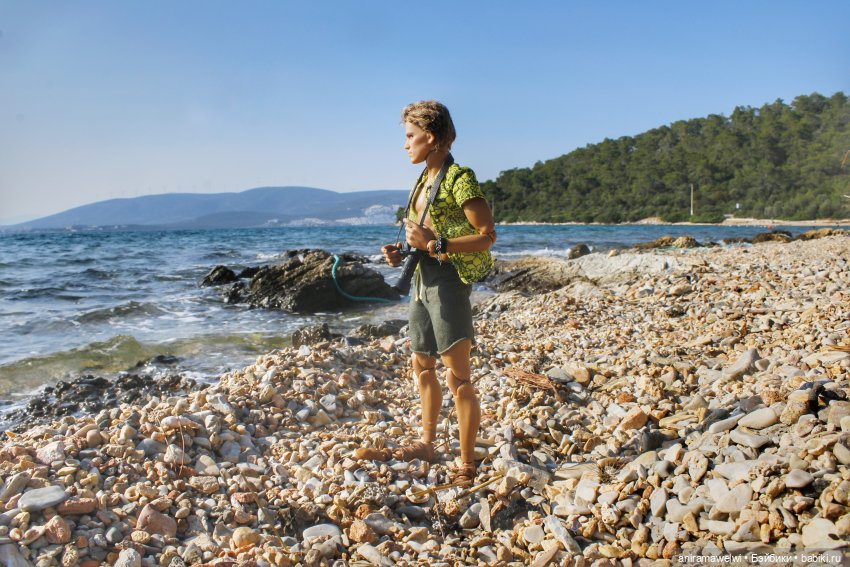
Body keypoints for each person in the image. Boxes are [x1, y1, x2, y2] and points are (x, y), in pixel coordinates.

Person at [359, 100, 496, 486]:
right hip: (422, 279)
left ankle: (466, 463)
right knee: (422, 365)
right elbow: (426, 234)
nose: (405, 145)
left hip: (449, 280)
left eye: (409, 136)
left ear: (430, 136)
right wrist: (403, 250)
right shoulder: (423, 179)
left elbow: (486, 237)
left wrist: (436, 246)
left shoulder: (460, 179)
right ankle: (427, 443)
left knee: (459, 377)